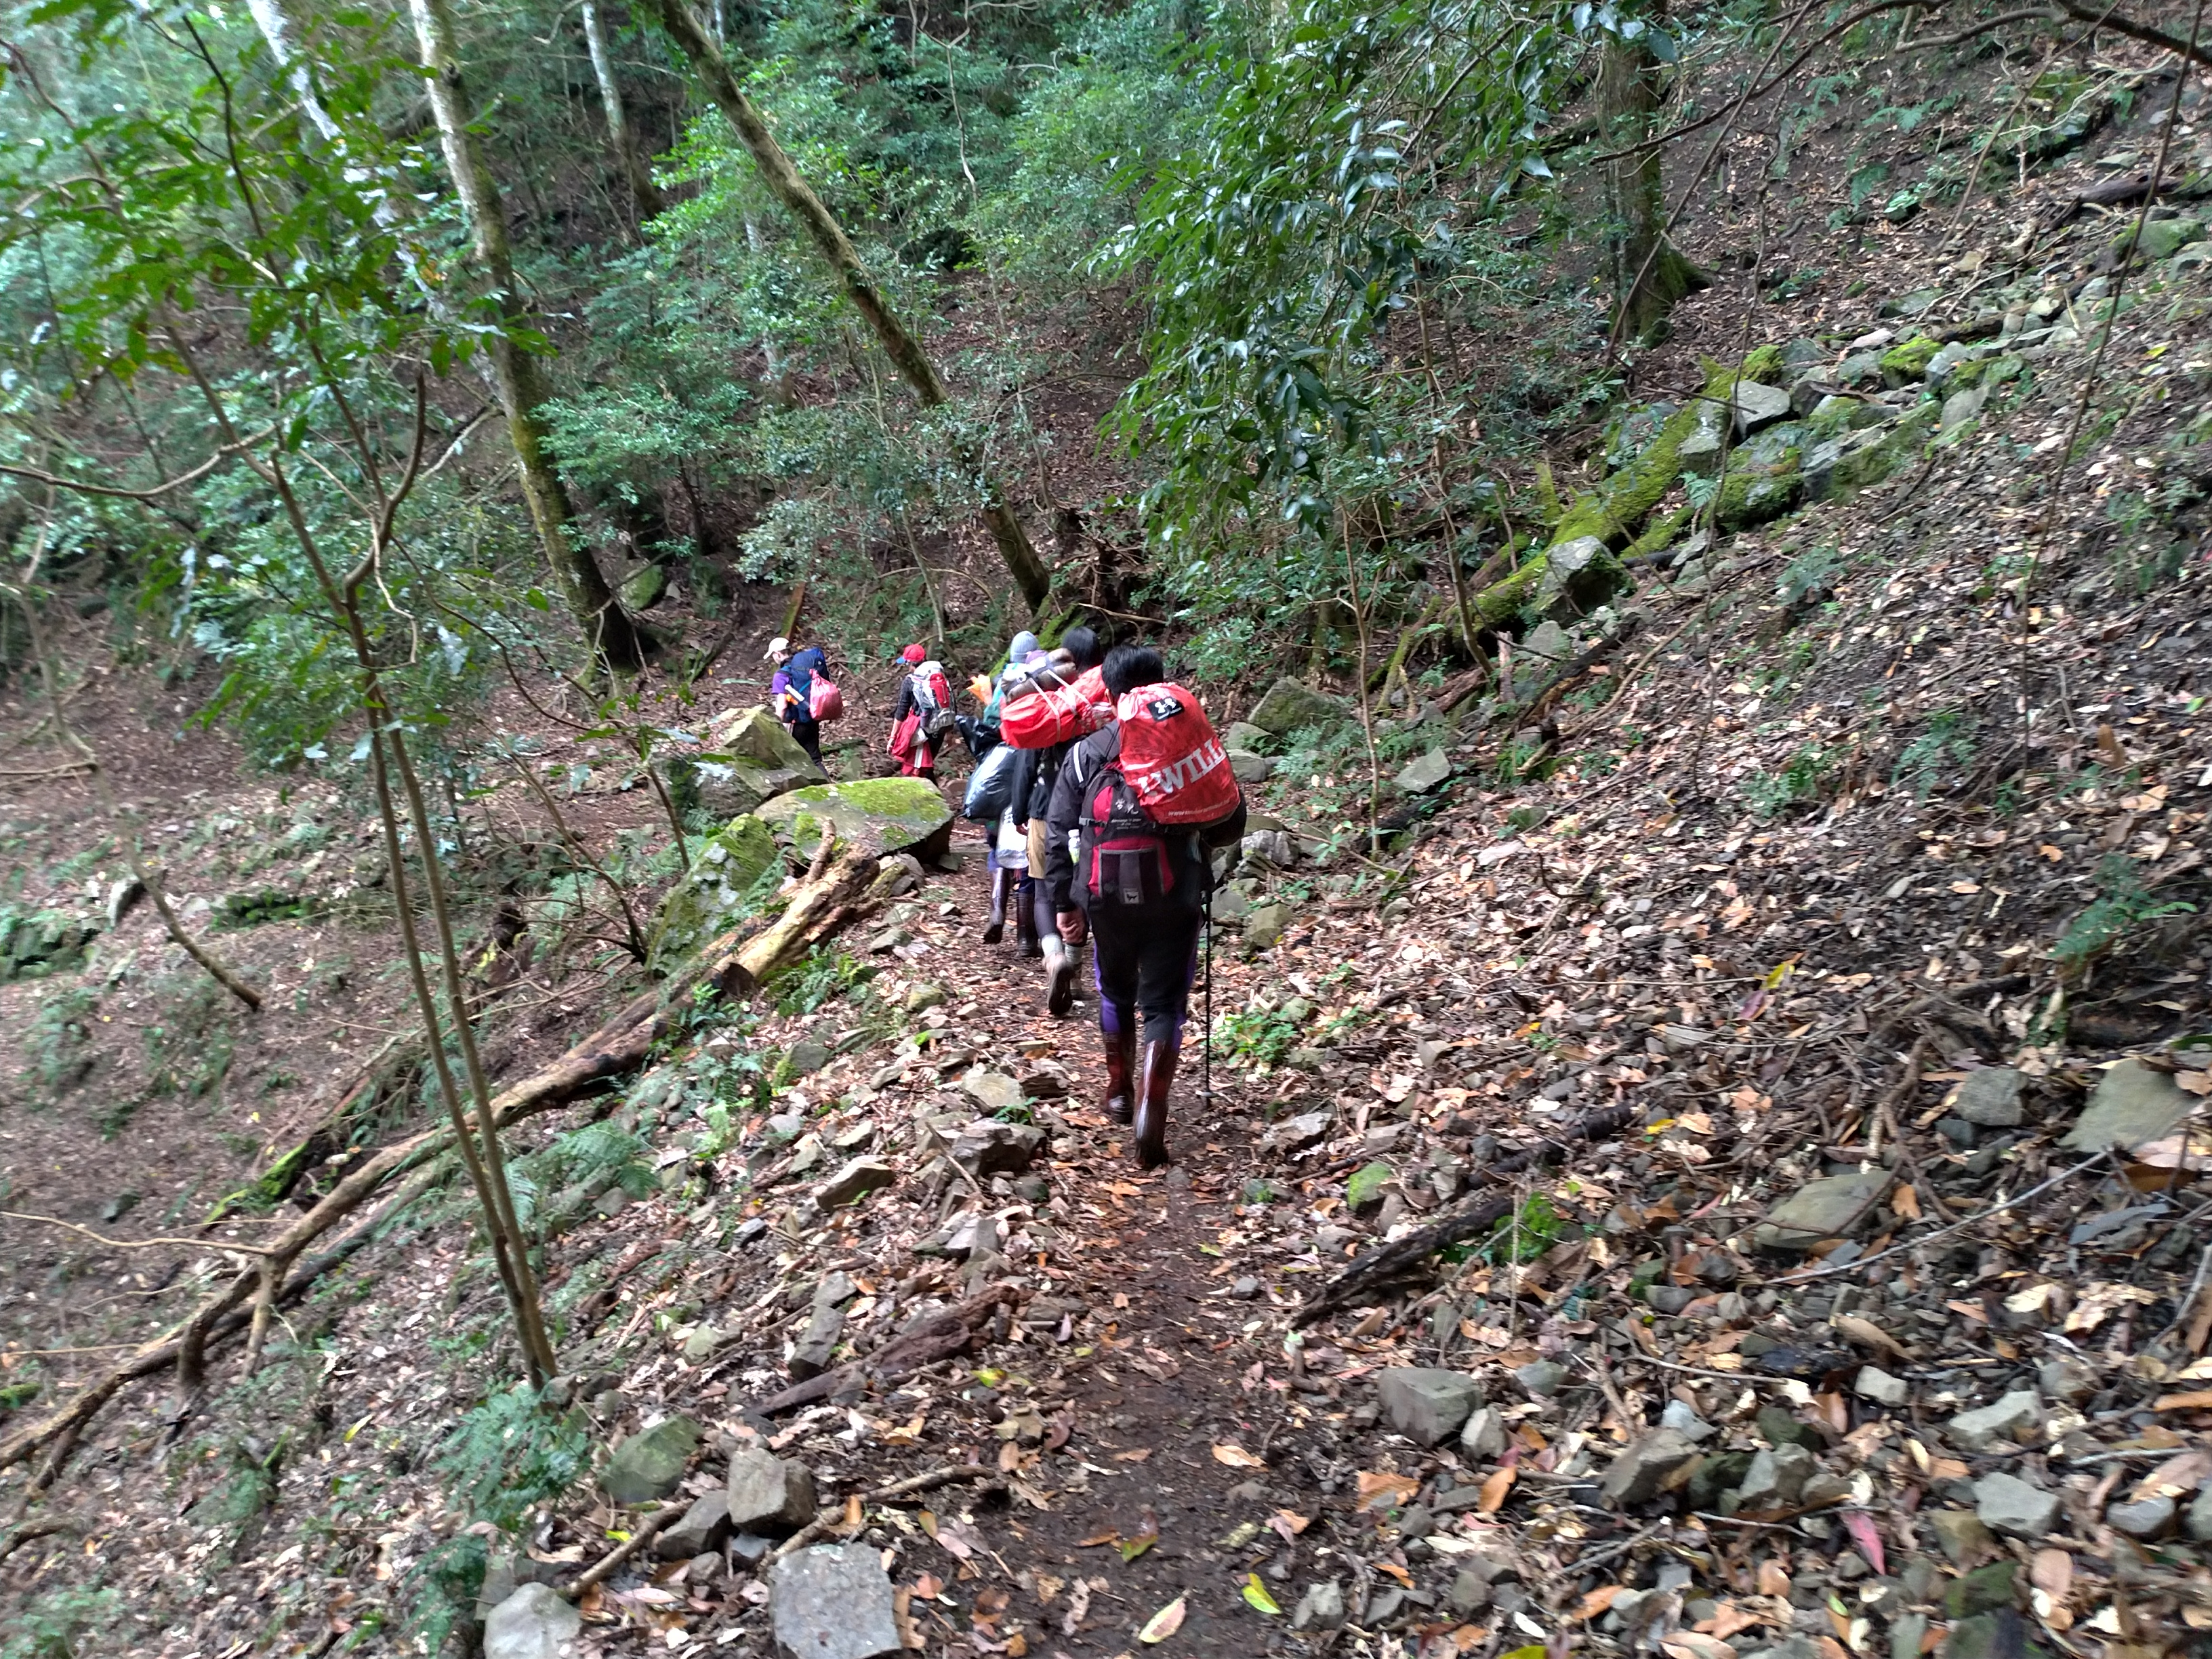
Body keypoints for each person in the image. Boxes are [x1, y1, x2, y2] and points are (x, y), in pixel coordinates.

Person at [1042, 642, 1246, 1168]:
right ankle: (1152, 1110)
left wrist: (1065, 901)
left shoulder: (1087, 753)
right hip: (1174, 891)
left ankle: (1117, 1091)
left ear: (1108, 692)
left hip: (1103, 897)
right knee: (1163, 1003)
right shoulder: (1184, 741)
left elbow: (1059, 832)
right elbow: (1229, 820)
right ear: (1162, 683)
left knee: (1114, 988)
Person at [1014, 627, 1103, 1008]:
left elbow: (1025, 762)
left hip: (1045, 811)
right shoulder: (1105, 702)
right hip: (1094, 815)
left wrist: (1019, 809)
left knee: (1045, 891)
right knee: (1083, 891)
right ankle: (1078, 972)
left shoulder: (1049, 703)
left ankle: (1054, 958)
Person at [887, 643, 954, 780]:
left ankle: (931, 799)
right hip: (940, 728)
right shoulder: (939, 675)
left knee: (920, 773)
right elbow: (949, 703)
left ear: (910, 663)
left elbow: (902, 711)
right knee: (926, 771)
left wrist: (893, 737)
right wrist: (949, 733)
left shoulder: (910, 681)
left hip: (923, 732)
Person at [767, 636, 830, 771]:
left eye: (773, 655)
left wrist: (778, 727)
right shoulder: (803, 666)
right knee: (815, 759)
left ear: (777, 654)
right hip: (811, 716)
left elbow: (782, 706)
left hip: (795, 723)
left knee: (791, 761)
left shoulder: (781, 675)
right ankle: (829, 789)